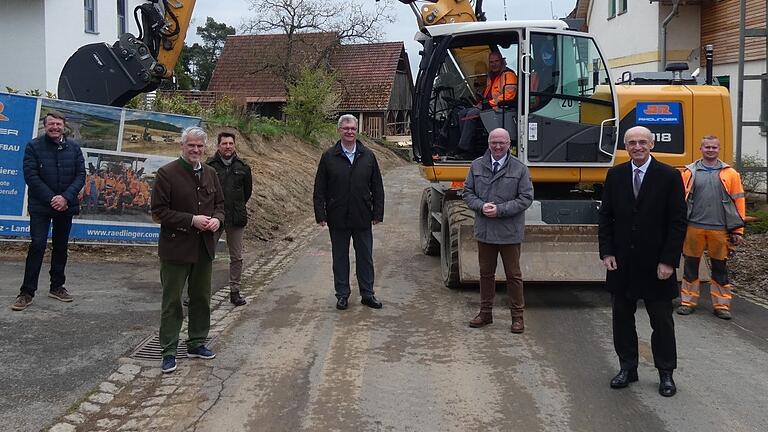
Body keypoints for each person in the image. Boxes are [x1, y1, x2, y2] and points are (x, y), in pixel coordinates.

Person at [598, 126, 687, 397]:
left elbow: (677, 222)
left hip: (656, 264)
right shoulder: (615, 175)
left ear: (652, 145)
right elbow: (606, 218)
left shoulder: (670, 176)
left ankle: (666, 373)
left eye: (642, 142)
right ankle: (628, 367)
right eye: (631, 143)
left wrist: (669, 261)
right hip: (622, 263)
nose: (637, 147)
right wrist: (607, 252)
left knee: (661, 321)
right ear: (625, 146)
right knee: (621, 319)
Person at [151, 126, 224, 374]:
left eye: (199, 146)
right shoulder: (167, 173)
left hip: (203, 248)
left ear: (205, 149)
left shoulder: (211, 173)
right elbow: (159, 212)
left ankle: (197, 342)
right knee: (172, 301)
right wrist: (191, 220)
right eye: (191, 145)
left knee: (202, 297)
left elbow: (220, 205)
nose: (195, 150)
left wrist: (217, 220)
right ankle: (169, 350)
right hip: (176, 248)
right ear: (182, 146)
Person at [11, 112, 86, 311]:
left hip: (66, 206)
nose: (55, 127)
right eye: (51, 124)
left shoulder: (74, 148)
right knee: (37, 245)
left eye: (58, 124)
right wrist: (52, 198)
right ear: (45, 126)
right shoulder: (33, 146)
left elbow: (80, 175)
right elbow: (31, 176)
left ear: (64, 126)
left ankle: (57, 286)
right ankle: (26, 292)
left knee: (60, 247)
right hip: (41, 206)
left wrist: (65, 198)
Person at [463, 128, 533, 333]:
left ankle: (517, 318)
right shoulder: (476, 165)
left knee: (513, 275)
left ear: (508, 144)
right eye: (494, 142)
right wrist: (480, 206)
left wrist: (501, 210)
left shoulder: (520, 169)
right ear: (488, 143)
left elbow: (526, 198)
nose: (498, 146)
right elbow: (468, 192)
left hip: (509, 231)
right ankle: (485, 314)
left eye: (502, 142)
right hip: (485, 230)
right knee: (486, 274)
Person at [313, 114, 385, 310]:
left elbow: (377, 186)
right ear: (339, 130)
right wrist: (320, 214)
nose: (349, 132)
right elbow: (320, 187)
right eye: (346, 129)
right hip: (337, 215)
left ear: (357, 130)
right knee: (340, 257)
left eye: (352, 128)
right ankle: (342, 294)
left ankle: (367, 294)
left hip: (362, 214)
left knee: (365, 257)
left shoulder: (368, 155)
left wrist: (378, 213)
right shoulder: (329, 156)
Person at [677, 136, 745, 320]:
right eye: (707, 147)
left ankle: (722, 305)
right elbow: (680, 202)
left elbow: (738, 202)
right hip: (693, 227)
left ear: (719, 149)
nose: (710, 150)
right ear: (701, 148)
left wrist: (738, 230)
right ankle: (687, 302)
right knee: (690, 267)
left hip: (720, 229)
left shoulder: (730, 174)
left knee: (720, 268)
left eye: (714, 147)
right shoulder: (689, 172)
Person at [206, 131, 253, 306]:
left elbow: (247, 192)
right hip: (214, 217)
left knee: (237, 257)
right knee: (205, 254)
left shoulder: (243, 167)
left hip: (236, 216)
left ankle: (235, 291)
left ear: (234, 145)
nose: (227, 147)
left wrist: (237, 206)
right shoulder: (209, 166)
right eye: (224, 143)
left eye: (230, 143)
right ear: (218, 145)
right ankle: (198, 290)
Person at [453, 51, 518, 158]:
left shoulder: (508, 75)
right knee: (462, 113)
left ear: (502, 61)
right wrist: (479, 103)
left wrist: (488, 104)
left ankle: (464, 150)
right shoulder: (492, 76)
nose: (494, 64)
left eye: (496, 61)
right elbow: (487, 95)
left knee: (470, 114)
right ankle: (467, 143)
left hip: (500, 110)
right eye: (491, 62)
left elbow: (509, 95)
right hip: (489, 108)